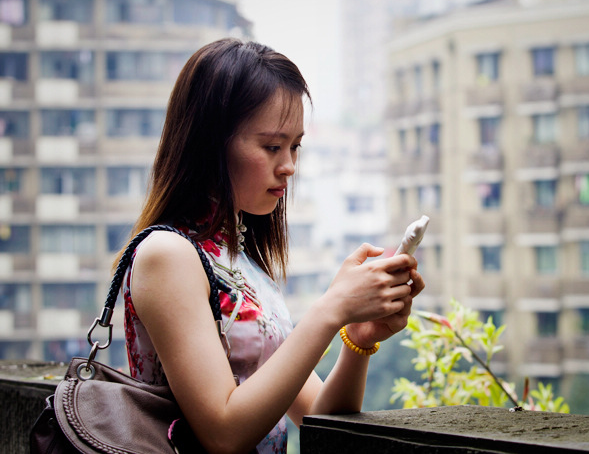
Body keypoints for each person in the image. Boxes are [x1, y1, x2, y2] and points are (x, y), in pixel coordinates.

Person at [120, 38, 424, 454]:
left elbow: (318, 416)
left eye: (295, 146)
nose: (289, 166)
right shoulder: (167, 255)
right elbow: (223, 433)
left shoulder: (242, 263)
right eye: (272, 146)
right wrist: (330, 308)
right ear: (211, 143)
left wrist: (357, 338)